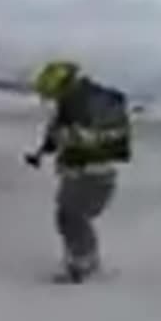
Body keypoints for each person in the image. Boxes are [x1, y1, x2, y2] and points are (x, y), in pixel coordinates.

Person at [24, 60, 131, 283]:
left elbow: (79, 137)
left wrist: (66, 141)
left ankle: (83, 262)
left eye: (52, 94)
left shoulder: (83, 106)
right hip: (86, 171)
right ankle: (82, 259)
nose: (51, 101)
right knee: (71, 216)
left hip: (91, 171)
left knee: (72, 216)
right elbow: (57, 135)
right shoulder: (76, 103)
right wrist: (43, 152)